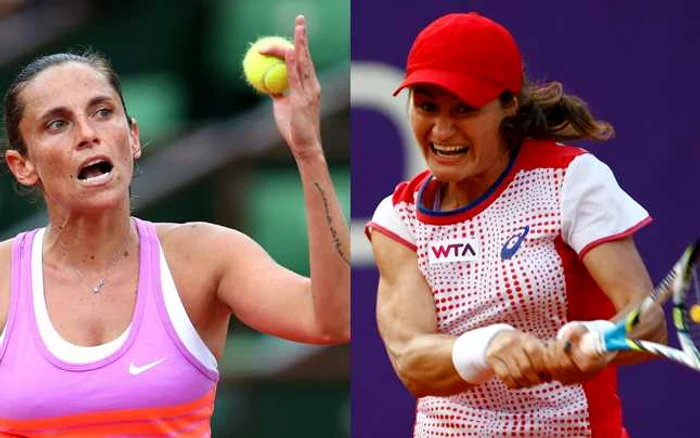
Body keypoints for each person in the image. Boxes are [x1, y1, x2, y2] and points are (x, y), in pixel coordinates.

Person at [0, 14, 349, 436]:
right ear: (23, 166)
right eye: (58, 124)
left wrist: (308, 149)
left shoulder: (204, 256)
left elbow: (335, 319)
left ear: (132, 137)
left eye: (103, 112)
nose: (88, 133)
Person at [365, 12, 666, 438]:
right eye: (427, 107)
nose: (442, 129)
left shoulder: (570, 180)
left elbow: (647, 319)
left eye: (465, 109)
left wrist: (598, 338)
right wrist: (487, 346)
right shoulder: (398, 217)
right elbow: (410, 359)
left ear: (509, 104)